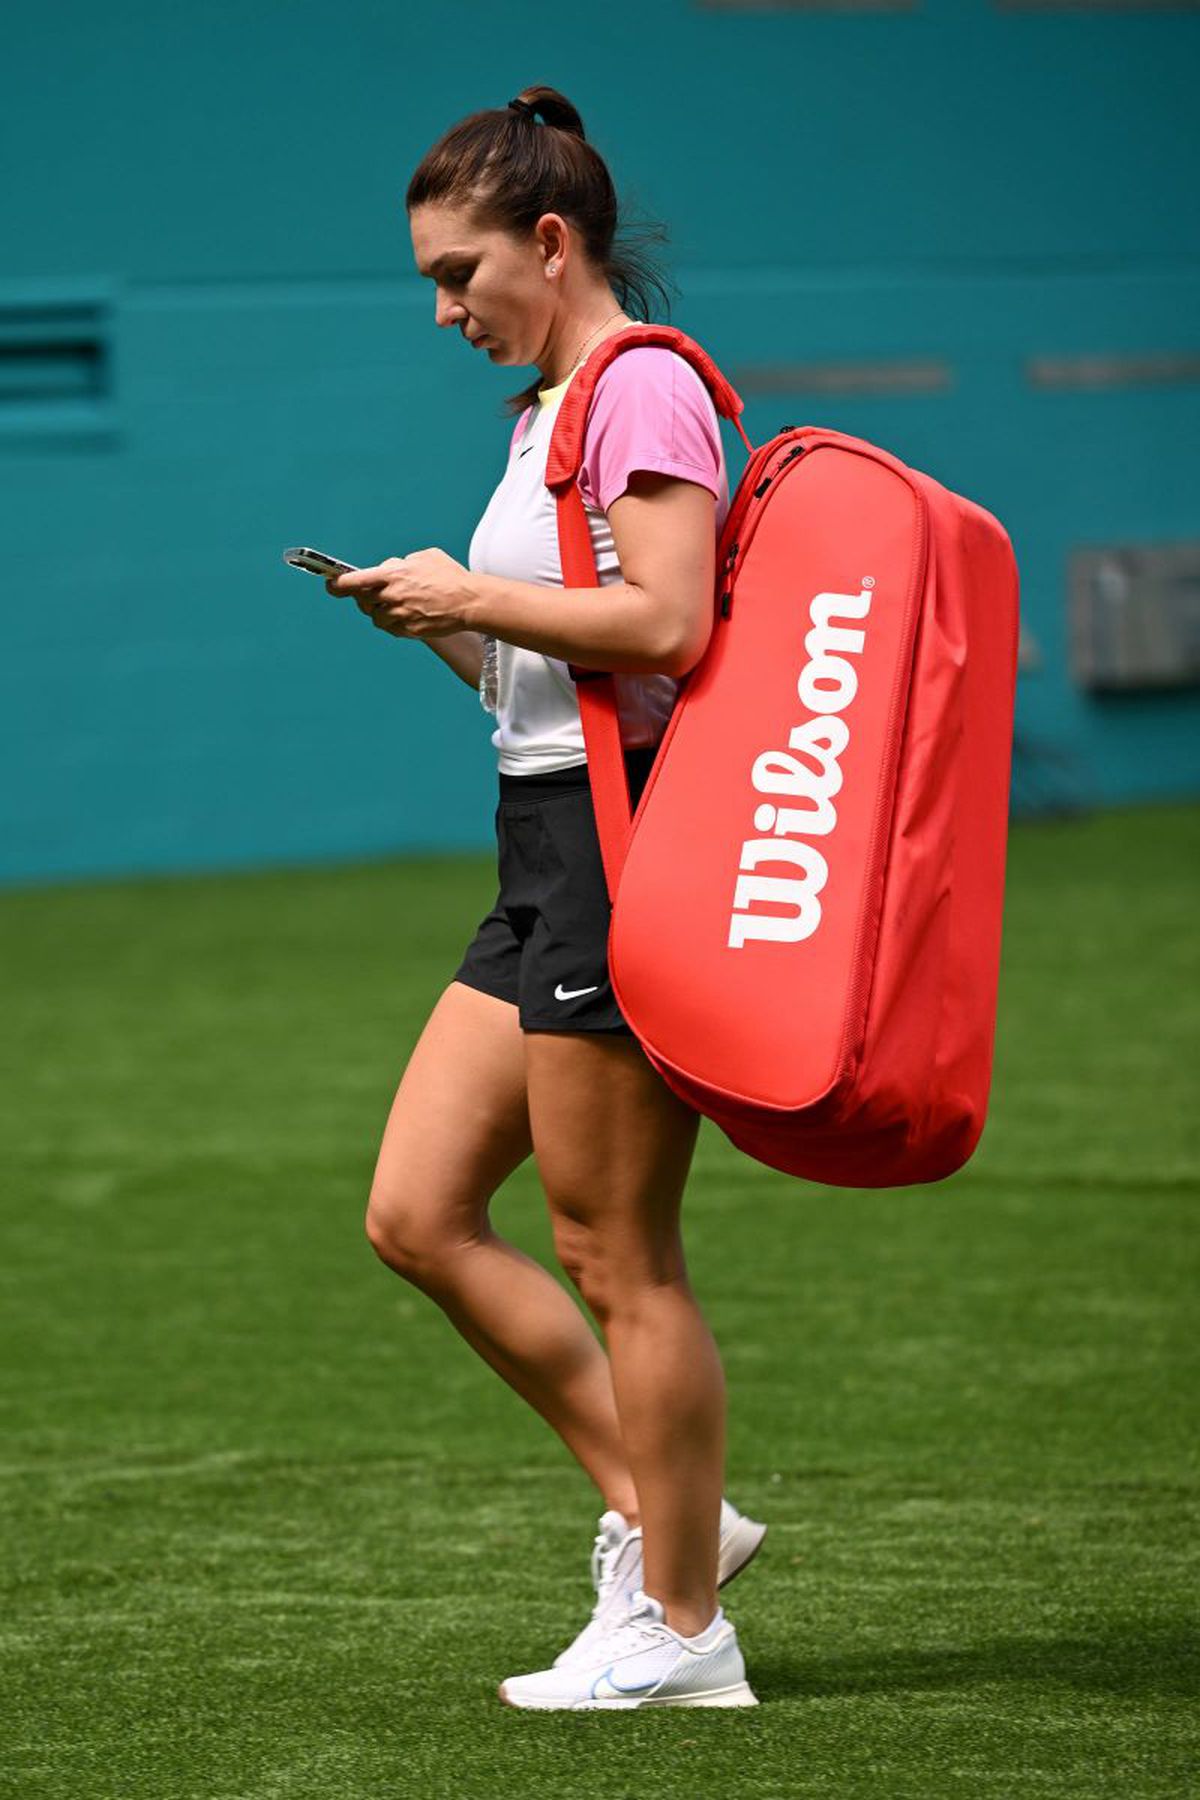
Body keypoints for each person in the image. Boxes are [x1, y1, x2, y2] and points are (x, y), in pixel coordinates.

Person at [327, 85, 764, 1711]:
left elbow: (665, 626)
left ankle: (678, 1629)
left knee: (614, 1249)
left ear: (553, 241)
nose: (447, 310)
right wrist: (441, 621)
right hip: (538, 841)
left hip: (620, 849)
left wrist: (475, 585)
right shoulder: (545, 414)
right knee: (418, 1215)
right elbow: (554, 664)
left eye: (461, 274)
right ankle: (681, 1529)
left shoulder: (641, 387)